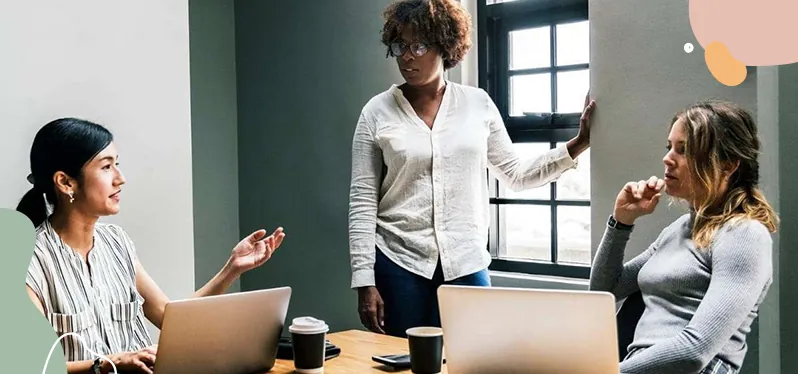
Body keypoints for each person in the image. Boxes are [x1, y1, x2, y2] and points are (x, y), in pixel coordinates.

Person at [348, 0, 596, 337]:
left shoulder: (477, 104)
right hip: (398, 262)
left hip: (465, 260)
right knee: (404, 363)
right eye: (399, 45)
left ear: (445, 45)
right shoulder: (376, 112)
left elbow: (516, 174)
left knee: (472, 358)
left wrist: (577, 144)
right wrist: (364, 280)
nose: (406, 56)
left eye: (418, 45)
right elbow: (363, 201)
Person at [19, 118, 286, 374]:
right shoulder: (26, 261)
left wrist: (232, 269)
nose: (120, 178)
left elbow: (172, 321)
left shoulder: (117, 242)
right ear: (66, 182)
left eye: (117, 164)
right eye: (106, 166)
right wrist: (111, 363)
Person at [590, 100, 778, 374]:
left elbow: (695, 351)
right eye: (669, 147)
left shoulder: (744, 235)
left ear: (727, 165)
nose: (667, 158)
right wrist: (621, 222)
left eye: (684, 150)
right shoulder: (678, 229)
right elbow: (603, 291)